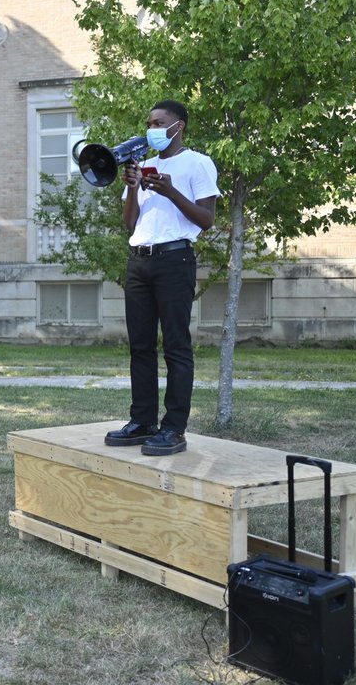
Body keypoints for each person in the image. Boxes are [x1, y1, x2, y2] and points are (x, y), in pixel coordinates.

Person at [105, 100, 220, 456]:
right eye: (149, 121)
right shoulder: (145, 165)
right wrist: (135, 188)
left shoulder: (198, 163)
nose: (152, 127)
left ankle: (174, 428)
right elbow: (129, 224)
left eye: (159, 122)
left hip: (174, 259)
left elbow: (206, 219)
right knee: (140, 346)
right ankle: (143, 421)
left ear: (179, 126)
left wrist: (170, 191)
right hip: (139, 261)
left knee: (175, 346)